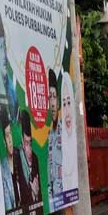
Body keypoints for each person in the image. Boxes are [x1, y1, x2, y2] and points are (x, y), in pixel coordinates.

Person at [14, 113, 42, 214]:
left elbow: (41, 201)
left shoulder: (35, 159)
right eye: (26, 143)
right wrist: (32, 192)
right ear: (21, 141)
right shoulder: (16, 158)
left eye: (31, 143)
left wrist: (36, 194)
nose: (29, 150)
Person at [47, 69, 63, 205]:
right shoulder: (48, 136)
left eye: (54, 96)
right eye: (49, 97)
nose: (52, 102)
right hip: (53, 200)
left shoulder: (64, 132)